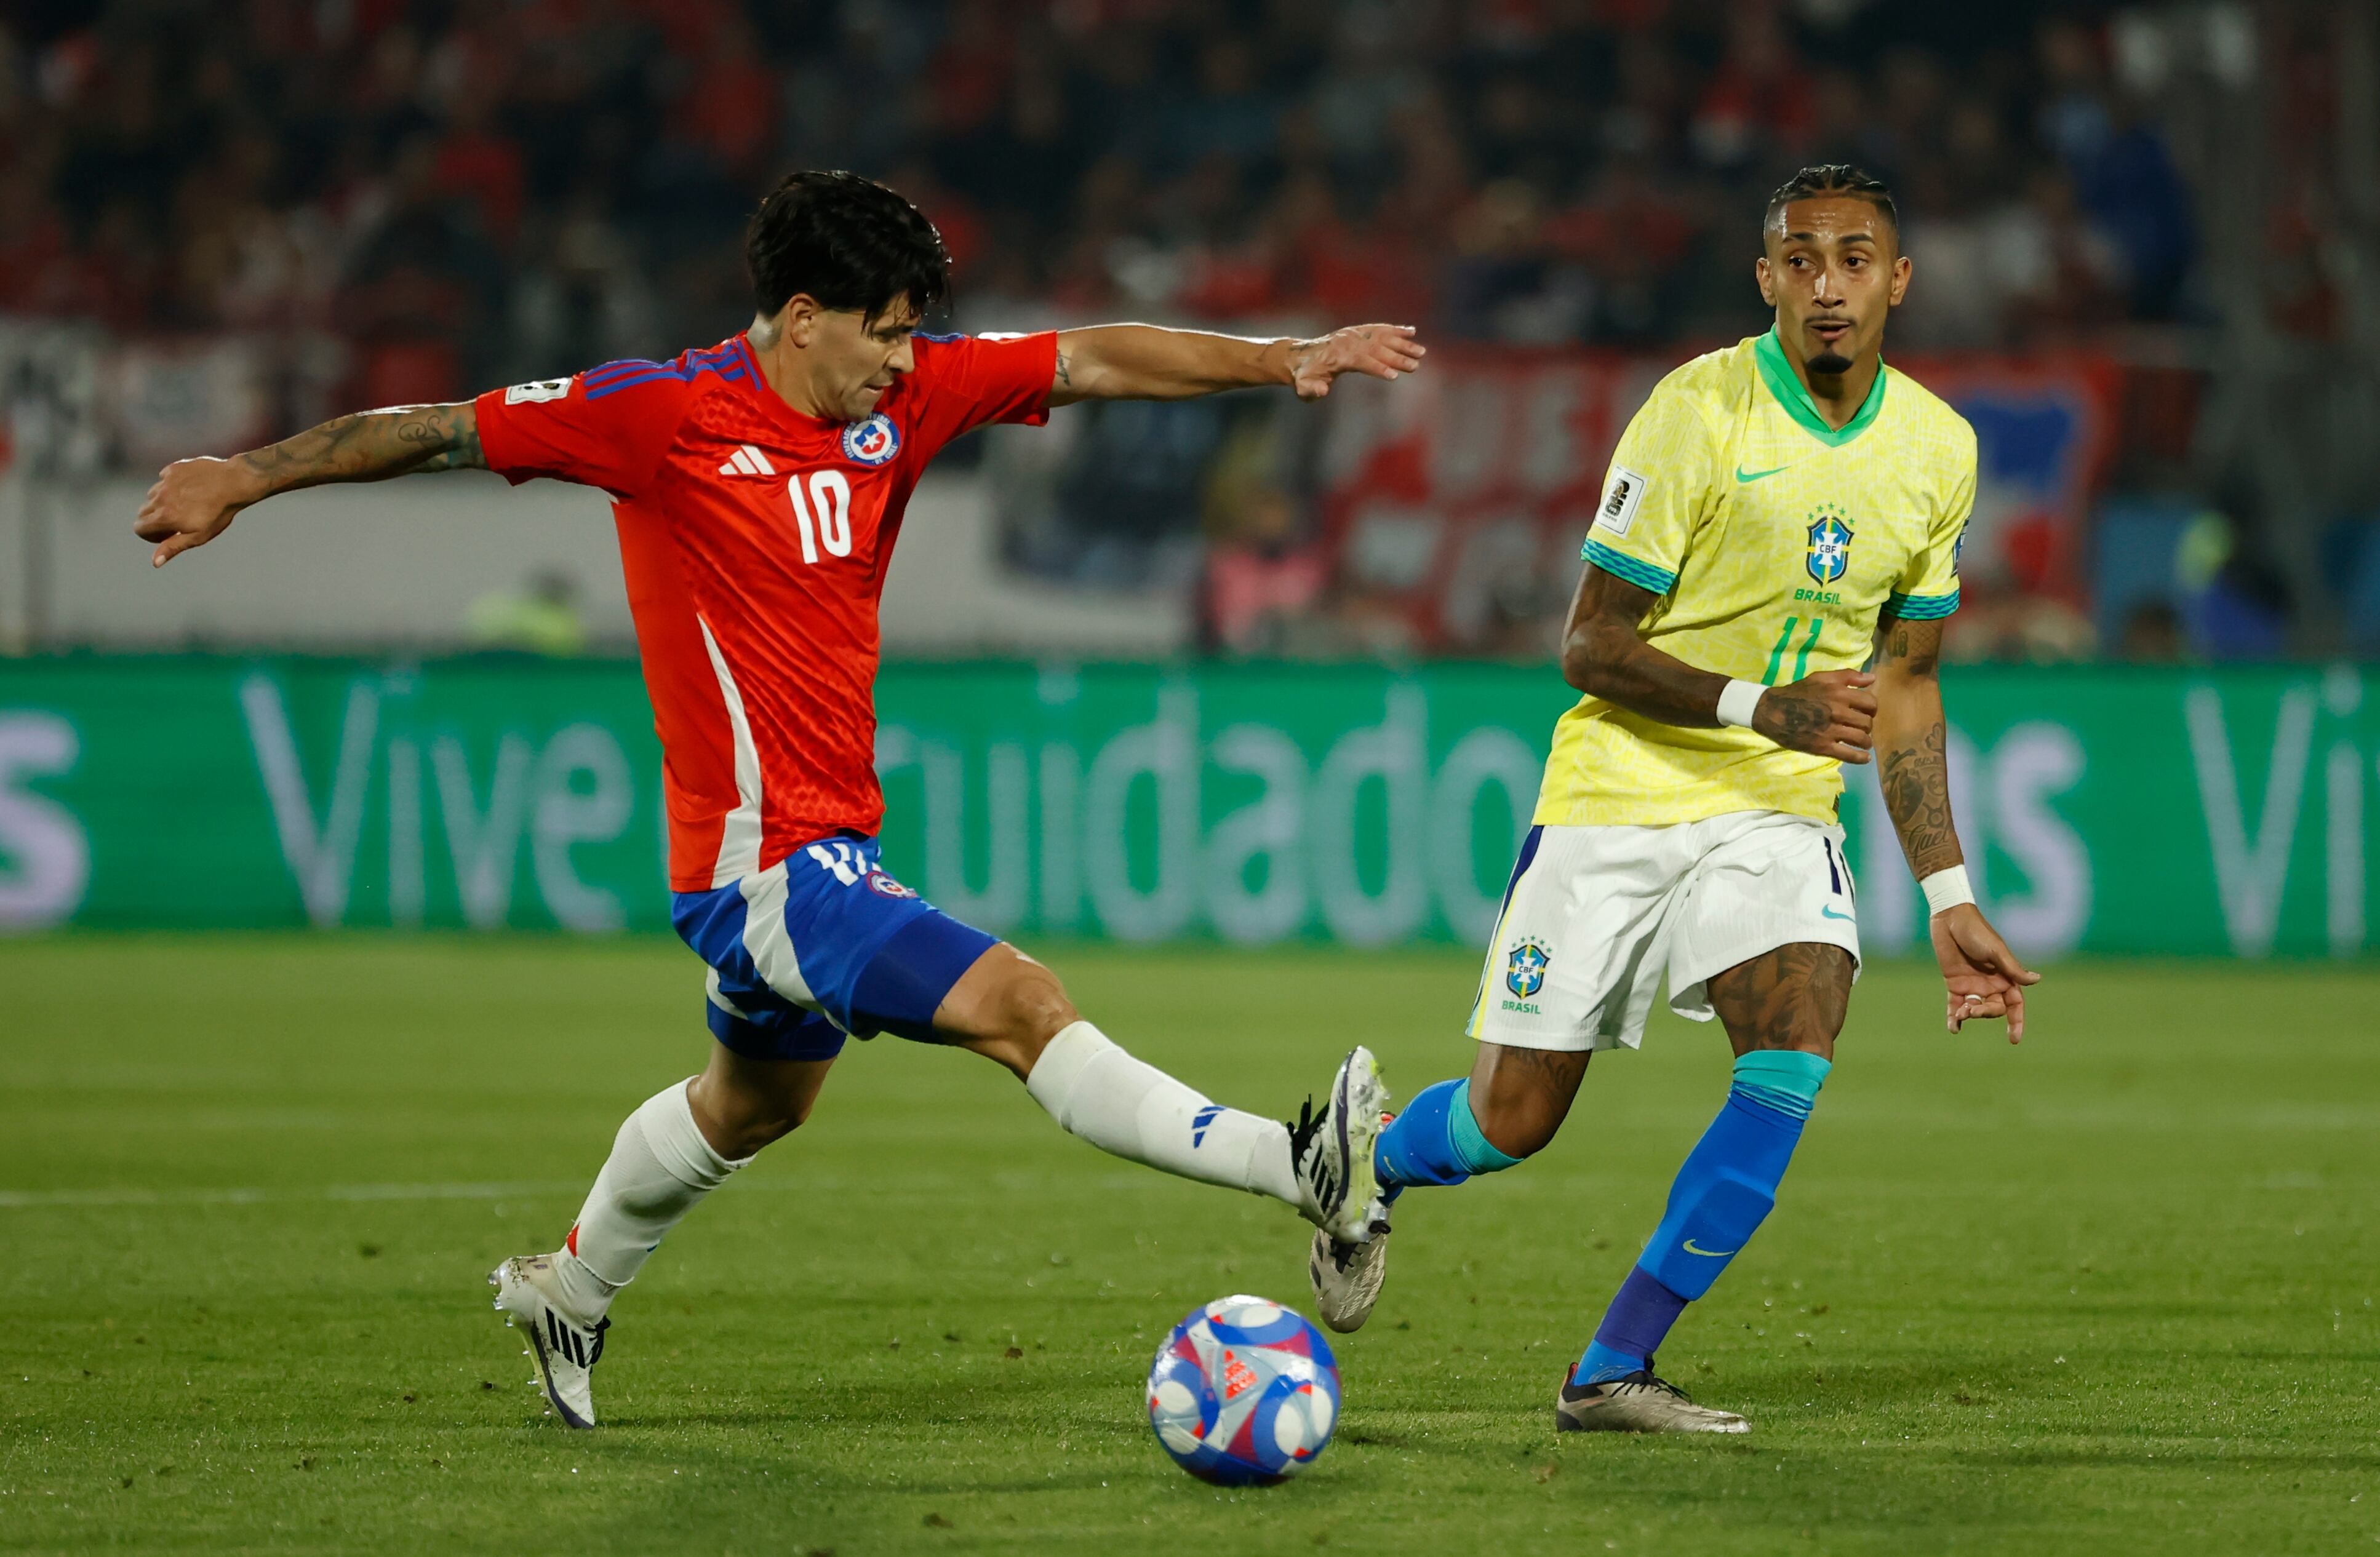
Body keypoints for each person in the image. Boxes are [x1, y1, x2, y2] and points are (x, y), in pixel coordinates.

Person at [134, 170, 1424, 1430]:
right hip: (763, 866)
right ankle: (1294, 1164)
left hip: (822, 846)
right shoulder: (659, 413)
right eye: (885, 333)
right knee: (1024, 1008)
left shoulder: (900, 404)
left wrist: (1281, 360)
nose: (904, 363)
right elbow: (438, 429)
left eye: (914, 335)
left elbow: (1090, 358)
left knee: (754, 1105)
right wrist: (244, 477)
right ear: (802, 317)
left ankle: (569, 1293)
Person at [1306, 165, 2039, 1435]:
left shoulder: (1938, 449)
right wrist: (1763, 704)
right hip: (1622, 787)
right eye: (1799, 260)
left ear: (1898, 280)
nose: (1827, 286)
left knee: (1794, 1053)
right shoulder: (1695, 411)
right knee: (1509, 1122)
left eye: (1854, 259)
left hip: (1777, 808)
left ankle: (1609, 1368)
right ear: (1764, 279)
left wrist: (1948, 892)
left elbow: (1909, 684)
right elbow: (1588, 645)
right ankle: (1369, 1161)